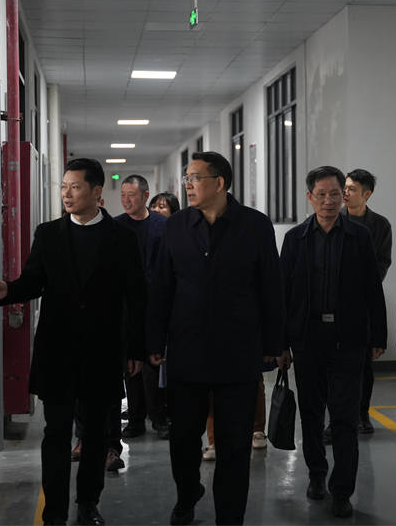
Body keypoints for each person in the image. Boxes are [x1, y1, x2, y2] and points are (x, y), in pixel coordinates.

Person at [0, 158, 146, 526]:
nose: (67, 194)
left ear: (97, 192)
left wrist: (135, 349)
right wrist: (8, 290)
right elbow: (33, 281)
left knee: (96, 435)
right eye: (64, 187)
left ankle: (88, 504)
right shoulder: (49, 234)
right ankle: (54, 511)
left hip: (102, 351)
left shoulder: (121, 238)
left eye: (75, 187)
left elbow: (136, 296)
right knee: (55, 434)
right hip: (57, 350)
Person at [147, 151, 285, 526]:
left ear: (219, 182)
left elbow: (270, 287)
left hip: (237, 352)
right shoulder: (176, 226)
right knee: (183, 439)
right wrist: (154, 341)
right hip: (186, 351)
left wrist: (274, 345)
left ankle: (230, 515)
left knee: (234, 443)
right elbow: (162, 287)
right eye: (187, 179)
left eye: (195, 178)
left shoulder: (254, 226)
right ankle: (187, 493)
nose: (188, 185)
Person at [278, 166, 387, 519]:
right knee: (311, 415)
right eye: (321, 195)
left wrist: (378, 336)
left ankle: (342, 490)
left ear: (344, 196)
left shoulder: (359, 236)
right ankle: (316, 475)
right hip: (307, 339)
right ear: (310, 197)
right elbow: (283, 293)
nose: (328, 201)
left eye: (335, 194)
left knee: (344, 417)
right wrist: (281, 344)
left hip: (348, 339)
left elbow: (372, 289)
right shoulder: (295, 239)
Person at [116, 175, 170, 441]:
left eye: (132, 195)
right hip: (127, 306)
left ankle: (159, 417)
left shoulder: (163, 225)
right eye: (123, 195)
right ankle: (136, 419)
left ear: (146, 195)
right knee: (131, 363)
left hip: (155, 304)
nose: (126, 200)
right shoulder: (116, 227)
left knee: (154, 362)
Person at [340, 168, 392, 436]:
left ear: (367, 194)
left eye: (352, 189)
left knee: (363, 365)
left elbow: (382, 264)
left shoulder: (380, 225)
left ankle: (362, 414)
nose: (345, 193)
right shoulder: (333, 219)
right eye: (345, 188)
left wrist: (362, 284)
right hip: (335, 304)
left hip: (364, 303)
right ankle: (335, 418)